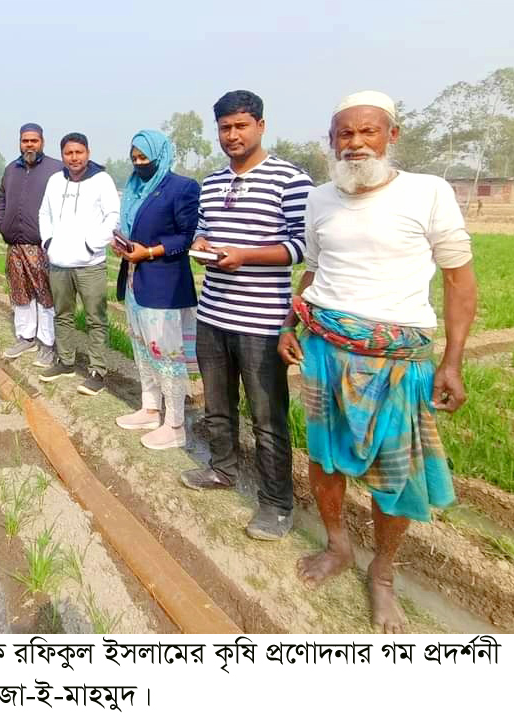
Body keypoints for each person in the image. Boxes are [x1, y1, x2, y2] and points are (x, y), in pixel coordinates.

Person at [278, 91, 477, 632]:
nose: (355, 143)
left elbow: (460, 282)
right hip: (324, 350)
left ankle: (383, 573)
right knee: (323, 460)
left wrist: (453, 362)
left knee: (394, 472)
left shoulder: (428, 193)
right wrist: (290, 323)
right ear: (331, 142)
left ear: (392, 136)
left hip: (398, 358)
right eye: (344, 133)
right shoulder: (319, 199)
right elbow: (314, 273)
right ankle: (338, 545)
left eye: (367, 131)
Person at [181, 90, 313, 542]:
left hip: (262, 321)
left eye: (241, 126)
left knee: (267, 417)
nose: (232, 135)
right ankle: (222, 469)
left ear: (260, 125)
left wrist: (246, 256)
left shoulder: (291, 180)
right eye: (224, 127)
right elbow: (204, 231)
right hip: (213, 312)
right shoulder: (213, 182)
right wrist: (202, 248)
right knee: (217, 405)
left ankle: (277, 503)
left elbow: (303, 247)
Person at [111, 130, 200, 449]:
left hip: (165, 285)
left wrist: (148, 251)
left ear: (160, 156)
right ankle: (150, 409)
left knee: (167, 354)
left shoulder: (182, 188)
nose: (139, 163)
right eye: (134, 158)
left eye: (144, 158)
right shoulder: (134, 188)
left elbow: (186, 237)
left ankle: (175, 424)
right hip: (136, 281)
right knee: (142, 349)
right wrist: (122, 246)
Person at [38, 132, 120, 395]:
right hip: (59, 262)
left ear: (88, 152)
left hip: (89, 263)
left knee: (96, 318)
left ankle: (98, 371)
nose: (74, 158)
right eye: (68, 153)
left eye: (78, 152)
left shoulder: (101, 180)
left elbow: (113, 218)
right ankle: (66, 362)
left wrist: (90, 245)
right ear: (62, 155)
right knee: (63, 315)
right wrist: (48, 242)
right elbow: (44, 213)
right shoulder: (54, 181)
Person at [0, 123, 64, 368]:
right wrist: (0, 223)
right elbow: (1, 197)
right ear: (19, 142)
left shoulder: (56, 169)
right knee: (20, 293)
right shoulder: (11, 169)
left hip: (41, 246)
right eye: (25, 141)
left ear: (42, 142)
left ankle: (47, 343)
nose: (29, 145)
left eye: (34, 140)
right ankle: (25, 336)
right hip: (14, 245)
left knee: (45, 295)